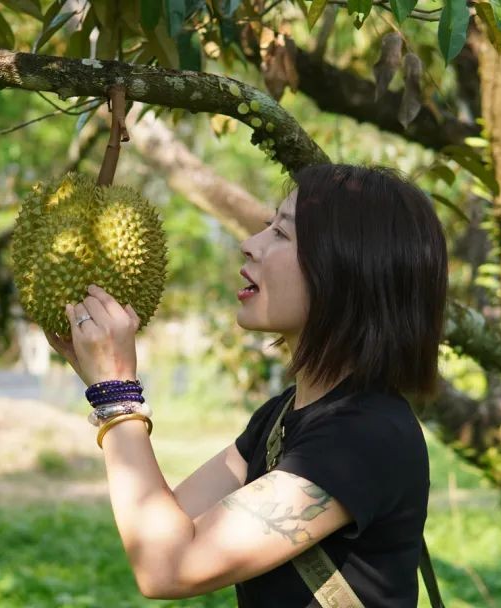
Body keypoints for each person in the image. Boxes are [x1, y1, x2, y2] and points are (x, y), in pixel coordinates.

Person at [45, 163, 449, 606]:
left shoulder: (366, 435)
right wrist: (98, 373)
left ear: (347, 266)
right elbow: (161, 530)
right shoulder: (280, 417)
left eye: (281, 234)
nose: (249, 245)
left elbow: (169, 567)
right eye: (266, 227)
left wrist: (116, 391)